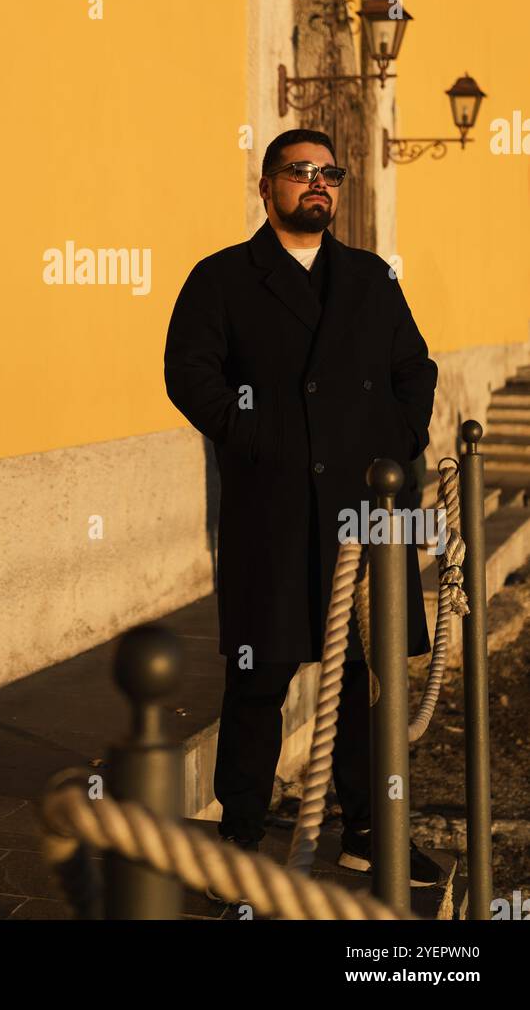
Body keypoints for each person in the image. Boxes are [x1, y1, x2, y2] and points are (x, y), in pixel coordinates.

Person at [163, 128, 441, 886]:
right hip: (274, 510)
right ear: (267, 187)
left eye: (330, 173)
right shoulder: (222, 278)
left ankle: (366, 832)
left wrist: (399, 439)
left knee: (366, 678)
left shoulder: (370, 277)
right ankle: (243, 836)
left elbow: (415, 369)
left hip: (364, 511)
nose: (318, 184)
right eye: (300, 172)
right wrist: (254, 433)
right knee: (259, 678)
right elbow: (189, 373)